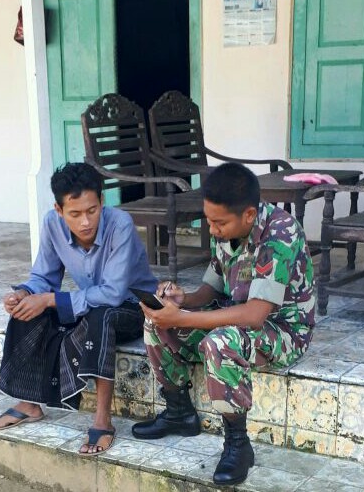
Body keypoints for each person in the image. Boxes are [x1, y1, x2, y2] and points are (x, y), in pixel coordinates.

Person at [131, 162, 315, 486]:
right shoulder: (226, 228)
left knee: (220, 341)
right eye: (208, 220)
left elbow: (255, 315)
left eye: (219, 223)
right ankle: (179, 412)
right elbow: (211, 289)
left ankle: (238, 445)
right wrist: (181, 300)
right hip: (236, 316)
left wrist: (185, 318)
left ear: (248, 215)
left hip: (282, 331)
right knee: (157, 323)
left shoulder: (279, 234)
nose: (213, 229)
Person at [0, 162, 157, 456]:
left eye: (92, 210)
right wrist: (25, 293)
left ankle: (102, 420)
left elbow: (113, 294)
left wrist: (50, 299)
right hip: (91, 304)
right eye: (75, 214)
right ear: (59, 210)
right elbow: (44, 277)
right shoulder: (52, 224)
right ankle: (29, 403)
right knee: (27, 308)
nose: (85, 222)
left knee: (99, 314)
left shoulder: (121, 225)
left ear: (102, 201)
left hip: (132, 307)